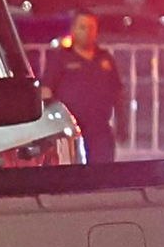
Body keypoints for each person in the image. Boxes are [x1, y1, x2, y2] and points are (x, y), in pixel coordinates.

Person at [46, 13, 127, 168]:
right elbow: (46, 91)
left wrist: (122, 123)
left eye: (91, 27)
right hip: (70, 131)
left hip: (100, 131)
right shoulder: (61, 58)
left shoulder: (105, 58)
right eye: (82, 27)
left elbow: (117, 92)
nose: (87, 31)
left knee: (103, 174)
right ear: (73, 30)